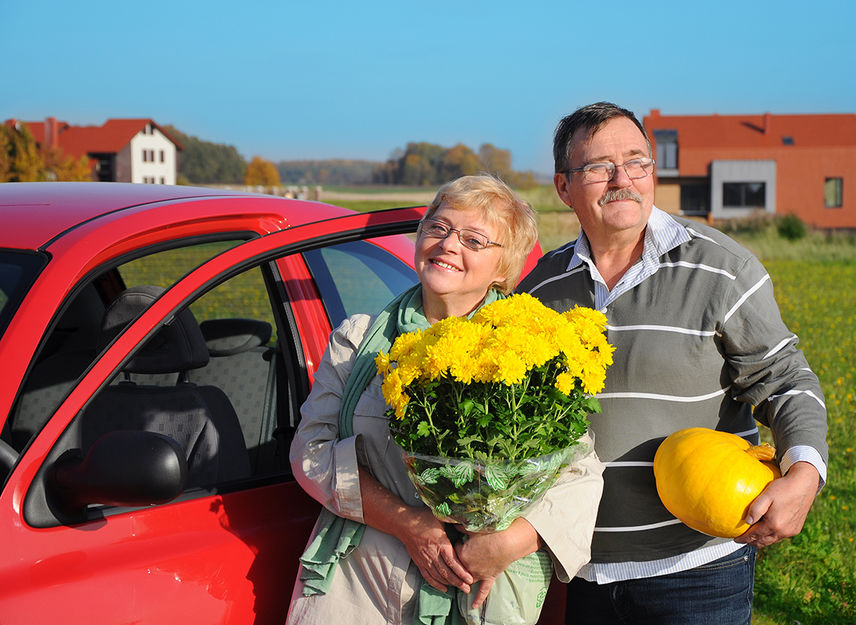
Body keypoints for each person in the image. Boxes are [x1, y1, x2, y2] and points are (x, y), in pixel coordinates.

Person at [516, 102, 828, 625]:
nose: (622, 180)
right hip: (576, 569)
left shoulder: (721, 266)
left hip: (696, 572)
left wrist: (805, 472)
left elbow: (784, 378)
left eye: (636, 162)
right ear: (564, 188)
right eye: (599, 168)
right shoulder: (541, 289)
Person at [286, 174, 604, 625]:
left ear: (502, 269)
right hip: (361, 580)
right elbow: (309, 452)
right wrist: (407, 523)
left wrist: (504, 546)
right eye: (438, 227)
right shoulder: (358, 341)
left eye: (474, 239)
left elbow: (580, 474)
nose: (448, 244)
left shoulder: (535, 353)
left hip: (479, 584)